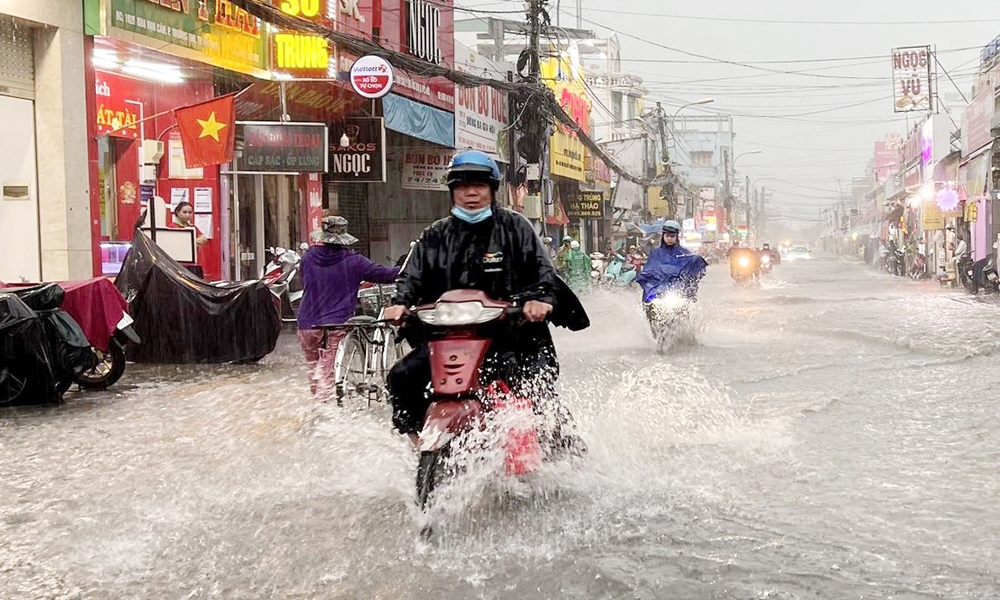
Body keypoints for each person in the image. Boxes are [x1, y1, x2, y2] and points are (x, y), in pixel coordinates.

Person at [382, 149, 589, 444]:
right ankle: (419, 444)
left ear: (492, 190)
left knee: (538, 391)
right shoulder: (434, 235)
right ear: (452, 192)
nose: (470, 193)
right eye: (463, 187)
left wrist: (540, 300)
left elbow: (543, 270)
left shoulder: (516, 227)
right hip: (449, 338)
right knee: (402, 376)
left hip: (513, 336)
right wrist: (400, 303)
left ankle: (556, 449)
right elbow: (411, 276)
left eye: (478, 186)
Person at [296, 215, 399, 403]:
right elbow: (385, 275)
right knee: (327, 368)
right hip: (336, 323)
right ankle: (323, 408)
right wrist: (408, 268)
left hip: (306, 324)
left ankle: (316, 402)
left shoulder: (308, 257)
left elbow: (304, 280)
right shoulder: (354, 261)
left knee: (314, 367)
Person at [636, 220, 707, 302]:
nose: (669, 238)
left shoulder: (684, 254)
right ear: (663, 236)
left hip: (676, 291)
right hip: (658, 291)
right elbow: (649, 269)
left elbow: (691, 269)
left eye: (672, 236)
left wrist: (696, 261)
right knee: (649, 299)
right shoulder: (656, 253)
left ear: (676, 236)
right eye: (667, 236)